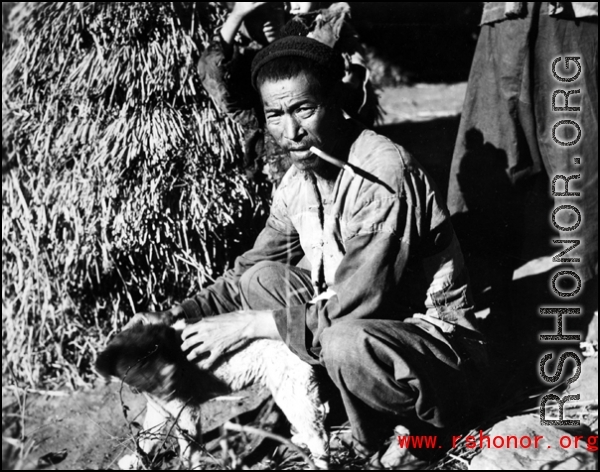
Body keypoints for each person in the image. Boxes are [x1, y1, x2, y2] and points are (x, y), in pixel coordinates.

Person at [141, 36, 488, 468]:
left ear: (334, 100)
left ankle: (424, 435)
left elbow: (360, 303)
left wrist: (251, 324)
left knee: (342, 341)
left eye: (304, 109)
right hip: (364, 333)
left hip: (435, 353)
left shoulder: (380, 172)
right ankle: (350, 397)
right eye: (275, 115)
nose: (290, 132)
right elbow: (249, 269)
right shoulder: (297, 181)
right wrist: (178, 314)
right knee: (261, 280)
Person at [447, 3, 598, 346]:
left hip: (571, 18)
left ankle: (593, 300)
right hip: (507, 19)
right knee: (492, 161)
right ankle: (497, 302)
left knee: (581, 159)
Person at [198, 2, 378, 188]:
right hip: (283, 174)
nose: (268, 21)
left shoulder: (315, 41)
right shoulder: (245, 68)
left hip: (338, 165)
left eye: (274, 9)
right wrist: (237, 14)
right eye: (257, 15)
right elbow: (212, 73)